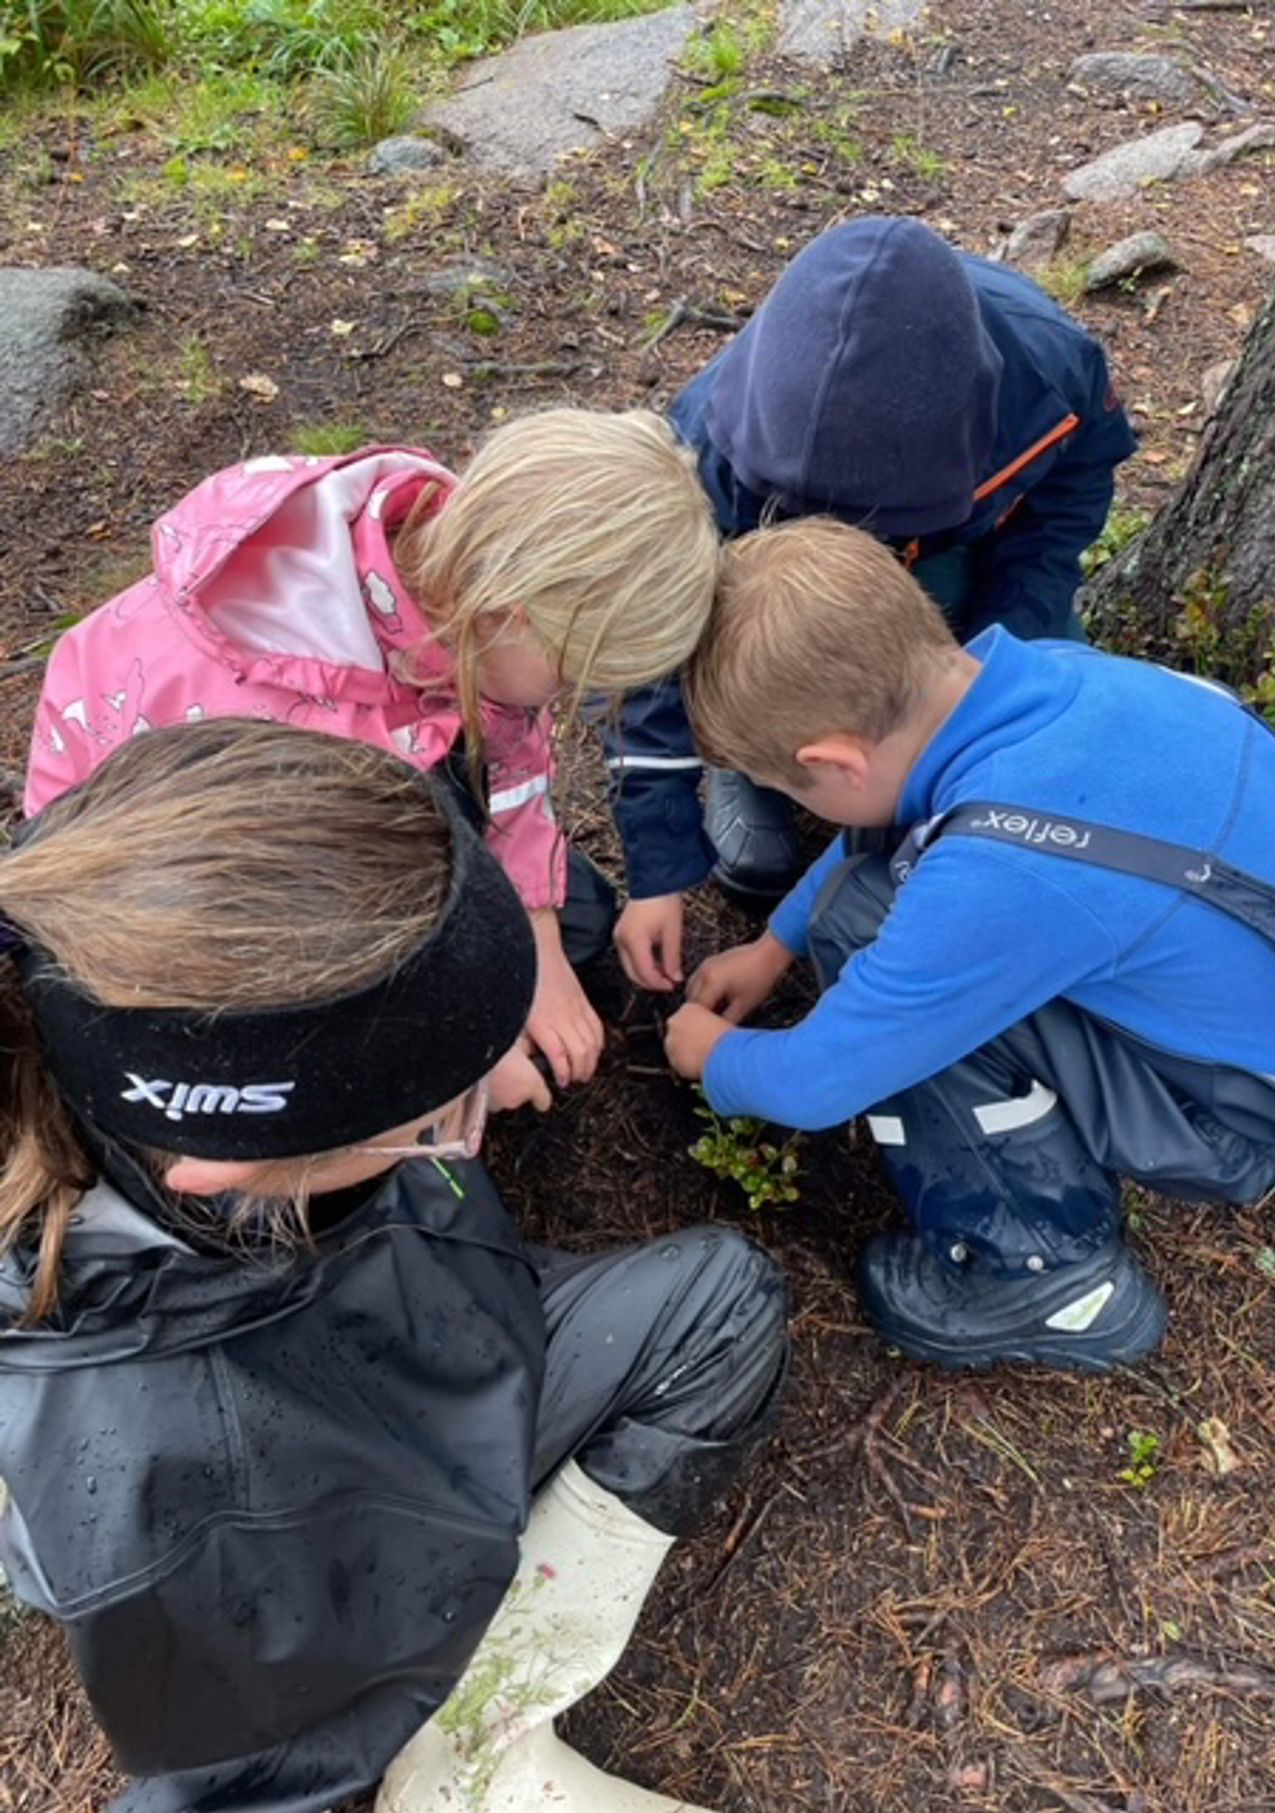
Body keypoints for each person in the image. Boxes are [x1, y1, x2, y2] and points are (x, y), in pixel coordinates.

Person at [0, 720, 787, 1813]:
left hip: (403, 1348)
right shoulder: (174, 1495)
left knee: (723, 1304)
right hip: (278, 1504)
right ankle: (449, 1753)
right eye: (443, 1116)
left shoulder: (100, 989)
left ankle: (485, 1700)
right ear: (229, 1165)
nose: (488, 1111)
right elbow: (230, 1780)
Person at [664, 519, 1275, 1373]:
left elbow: (819, 1083)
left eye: (781, 783)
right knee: (866, 902)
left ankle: (1050, 1276)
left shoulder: (1007, 869)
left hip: (1243, 1119)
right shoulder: (1038, 677)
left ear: (835, 762)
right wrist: (774, 945)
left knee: (868, 927)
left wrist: (716, 1057)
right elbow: (909, 817)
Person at [25, 409, 720, 1091]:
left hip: (336, 819)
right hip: (186, 911)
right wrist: (464, 1055)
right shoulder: (283, 727)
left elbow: (514, 755)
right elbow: (298, 942)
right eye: (571, 676)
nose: (565, 700)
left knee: (573, 923)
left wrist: (535, 937)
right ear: (510, 612)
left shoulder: (459, 571)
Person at [608, 216, 1138, 991]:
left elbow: (1069, 498)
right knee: (726, 621)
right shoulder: (708, 444)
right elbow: (650, 641)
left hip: (950, 558)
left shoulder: (1049, 372)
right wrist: (659, 864)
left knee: (1034, 693)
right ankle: (761, 760)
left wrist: (994, 645)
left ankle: (963, 831)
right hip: (770, 577)